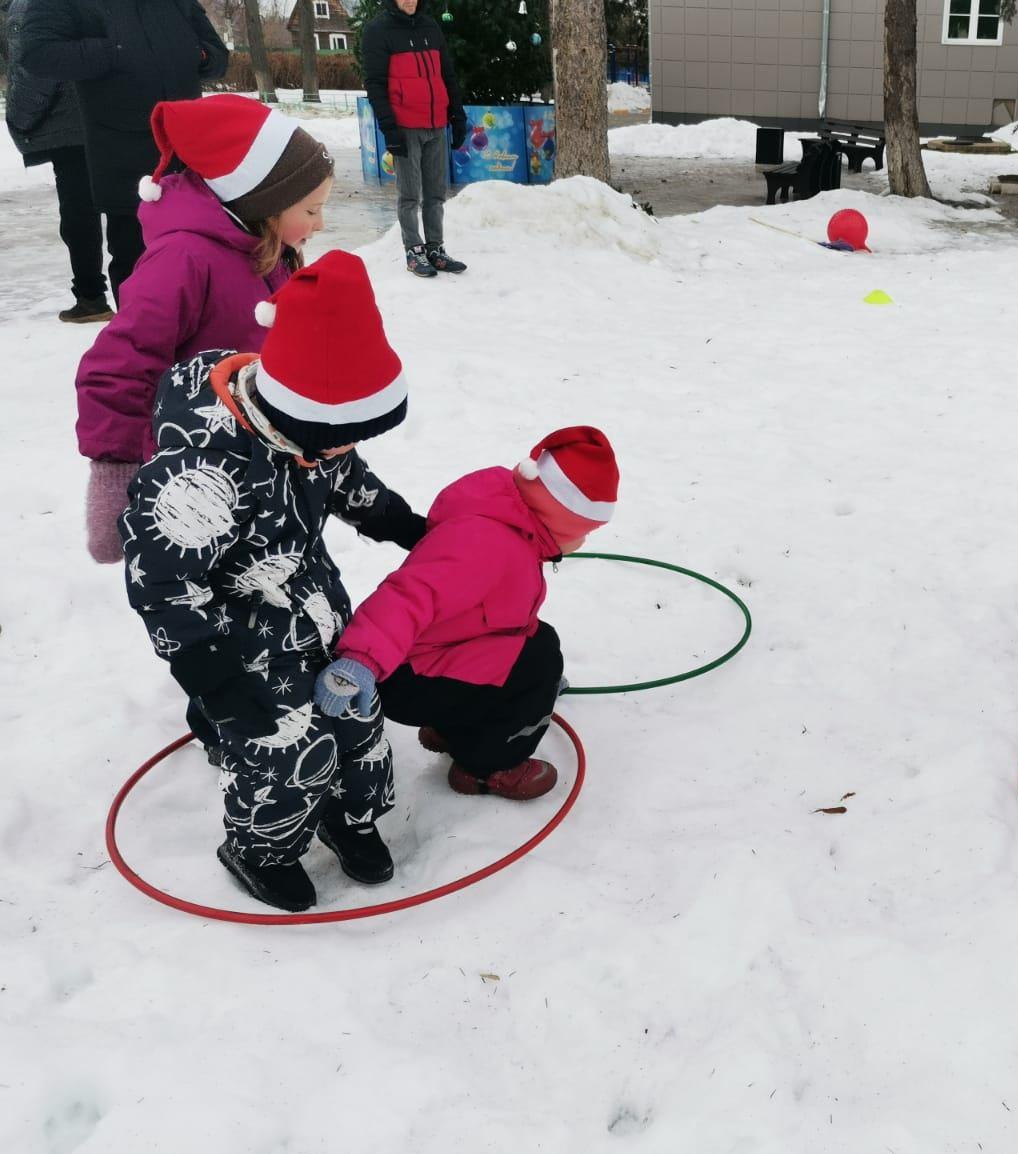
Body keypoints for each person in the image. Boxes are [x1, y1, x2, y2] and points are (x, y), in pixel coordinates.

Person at [120, 251, 426, 914]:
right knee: (284, 744)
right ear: (302, 419)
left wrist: (401, 523)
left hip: (311, 598)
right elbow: (165, 583)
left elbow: (345, 477)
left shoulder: (313, 428)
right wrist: (213, 679)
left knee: (356, 711)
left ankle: (349, 814)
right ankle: (261, 849)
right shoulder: (203, 475)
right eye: (340, 438)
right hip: (234, 628)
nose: (344, 450)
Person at [77, 94, 337, 567]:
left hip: (256, 463)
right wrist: (115, 478)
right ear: (266, 203)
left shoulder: (265, 250)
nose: (321, 224)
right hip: (193, 479)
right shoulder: (184, 260)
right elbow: (119, 366)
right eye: (311, 210)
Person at [313, 428, 620, 801]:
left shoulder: (512, 518)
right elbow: (410, 595)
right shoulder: (487, 543)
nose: (584, 541)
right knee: (538, 662)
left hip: (432, 657)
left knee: (536, 647)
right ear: (559, 518)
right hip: (407, 676)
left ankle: (452, 728)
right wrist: (361, 659)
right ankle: (488, 767)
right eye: (584, 531)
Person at [17, 0, 229, 302]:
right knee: (138, 267)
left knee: (202, 259)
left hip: (188, 146)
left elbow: (218, 56)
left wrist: (198, 55)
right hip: (123, 150)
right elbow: (38, 53)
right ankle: (140, 332)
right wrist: (116, 52)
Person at [2, 0, 111, 322]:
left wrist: (20, 117)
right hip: (105, 113)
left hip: (69, 122)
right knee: (124, 206)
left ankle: (91, 297)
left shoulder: (28, 6)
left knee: (79, 213)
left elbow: (36, 69)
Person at [361, 0, 468, 279]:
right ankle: (413, 250)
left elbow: (447, 75)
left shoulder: (430, 27)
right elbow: (375, 84)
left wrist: (457, 115)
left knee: (435, 194)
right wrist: (389, 128)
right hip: (405, 126)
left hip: (436, 124)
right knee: (409, 195)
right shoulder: (378, 31)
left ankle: (435, 248)